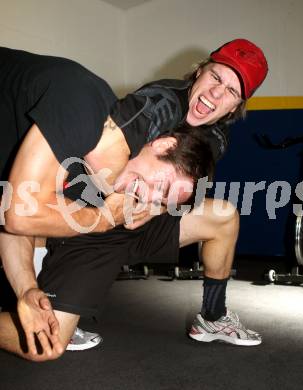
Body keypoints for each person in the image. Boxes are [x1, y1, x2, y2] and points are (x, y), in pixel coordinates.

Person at [0, 38, 268, 360]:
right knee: (47, 339)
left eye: (231, 92)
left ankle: (212, 317)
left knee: (223, 215)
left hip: (122, 217)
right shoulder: (148, 108)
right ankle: (55, 292)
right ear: (199, 72)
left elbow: (19, 219)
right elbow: (22, 219)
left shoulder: (216, 139)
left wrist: (152, 205)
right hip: (96, 209)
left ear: (235, 108)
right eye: (215, 78)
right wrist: (104, 216)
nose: (216, 94)